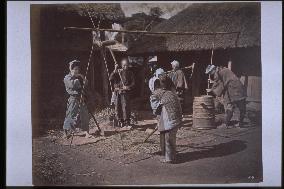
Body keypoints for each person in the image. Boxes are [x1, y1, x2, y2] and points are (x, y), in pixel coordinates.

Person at [150, 74, 183, 163]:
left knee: (168, 138)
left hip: (170, 119)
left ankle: (169, 158)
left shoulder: (158, 93)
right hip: (175, 118)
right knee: (171, 138)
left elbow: (154, 106)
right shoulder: (172, 92)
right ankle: (172, 156)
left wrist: (156, 112)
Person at [63, 60, 92, 139]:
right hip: (73, 99)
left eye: (77, 69)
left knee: (85, 114)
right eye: (74, 69)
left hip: (81, 98)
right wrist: (78, 79)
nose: (76, 71)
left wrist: (82, 78)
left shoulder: (79, 76)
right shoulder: (67, 77)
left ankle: (86, 132)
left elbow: (86, 84)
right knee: (70, 115)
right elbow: (73, 85)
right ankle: (65, 132)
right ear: (71, 69)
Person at [110, 58, 135, 129]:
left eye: (127, 65)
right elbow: (111, 78)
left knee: (126, 107)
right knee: (118, 107)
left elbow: (133, 83)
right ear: (121, 65)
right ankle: (120, 121)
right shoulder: (117, 72)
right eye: (124, 65)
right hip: (118, 92)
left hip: (125, 92)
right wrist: (115, 69)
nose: (125, 67)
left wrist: (127, 87)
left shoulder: (130, 73)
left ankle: (127, 122)